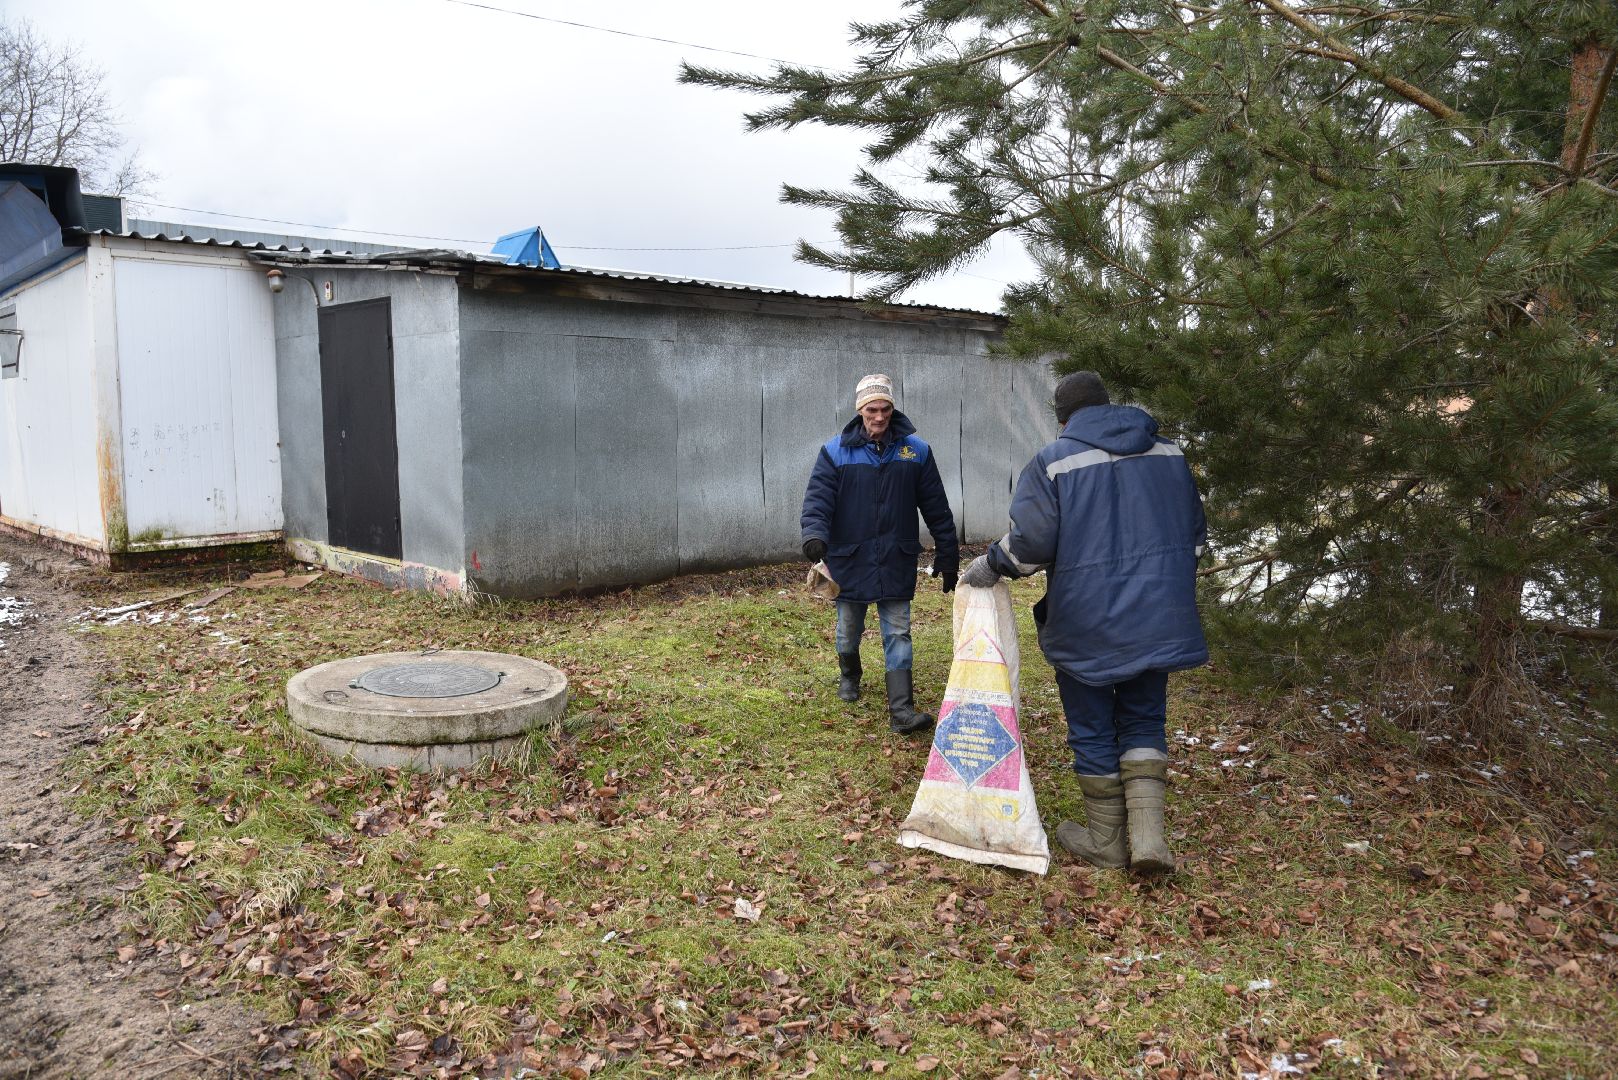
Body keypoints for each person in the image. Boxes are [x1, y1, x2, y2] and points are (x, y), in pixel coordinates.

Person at [960, 371, 1207, 875]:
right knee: (1143, 717)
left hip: (1086, 619)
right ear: (1107, 406)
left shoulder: (1054, 462)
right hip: (1159, 614)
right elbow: (1195, 537)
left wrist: (990, 565)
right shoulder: (1169, 454)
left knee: (1092, 725)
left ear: (1063, 419)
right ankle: (1148, 839)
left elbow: (1029, 545)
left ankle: (1106, 840)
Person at [802, 373, 959, 735]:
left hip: (895, 557)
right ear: (860, 411)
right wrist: (813, 535)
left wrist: (948, 554)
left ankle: (902, 711)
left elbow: (936, 506)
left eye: (885, 409)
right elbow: (818, 501)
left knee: (899, 633)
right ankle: (850, 675)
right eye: (872, 409)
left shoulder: (915, 451)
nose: (879, 416)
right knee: (848, 630)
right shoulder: (835, 451)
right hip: (850, 559)